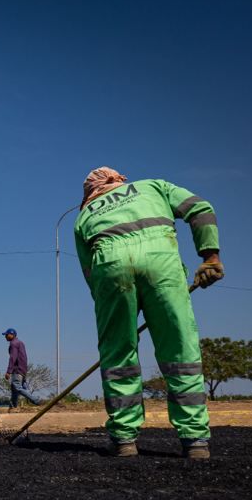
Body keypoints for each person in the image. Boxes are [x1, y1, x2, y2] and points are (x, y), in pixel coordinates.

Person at [74, 167, 223, 459]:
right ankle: (195, 441)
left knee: (118, 355)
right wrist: (210, 255)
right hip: (161, 262)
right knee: (180, 350)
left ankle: (124, 440)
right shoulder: (153, 186)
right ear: (120, 180)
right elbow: (200, 208)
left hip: (110, 268)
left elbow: (90, 272)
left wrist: (113, 311)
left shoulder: (84, 215)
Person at [2, 328, 40, 409]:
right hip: (23, 369)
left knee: (17, 387)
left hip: (17, 369)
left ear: (11, 335)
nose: (5, 336)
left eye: (6, 335)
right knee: (14, 388)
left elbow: (13, 358)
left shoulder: (13, 344)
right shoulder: (20, 342)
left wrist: (9, 371)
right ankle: (13, 406)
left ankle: (36, 400)